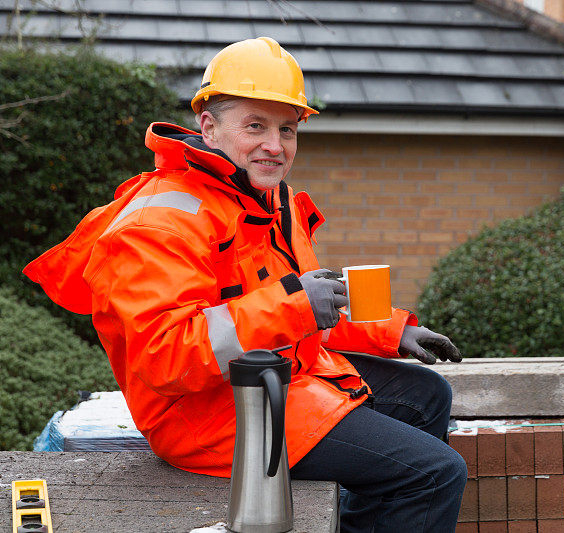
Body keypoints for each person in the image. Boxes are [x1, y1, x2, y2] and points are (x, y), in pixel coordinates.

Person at [24, 37, 467, 532]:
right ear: (209, 127)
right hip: (205, 416)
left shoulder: (267, 199)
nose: (275, 146)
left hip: (275, 381)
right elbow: (164, 358)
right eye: (255, 126)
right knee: (432, 474)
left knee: (426, 395)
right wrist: (297, 304)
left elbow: (301, 314)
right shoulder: (160, 222)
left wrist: (391, 331)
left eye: (287, 129)